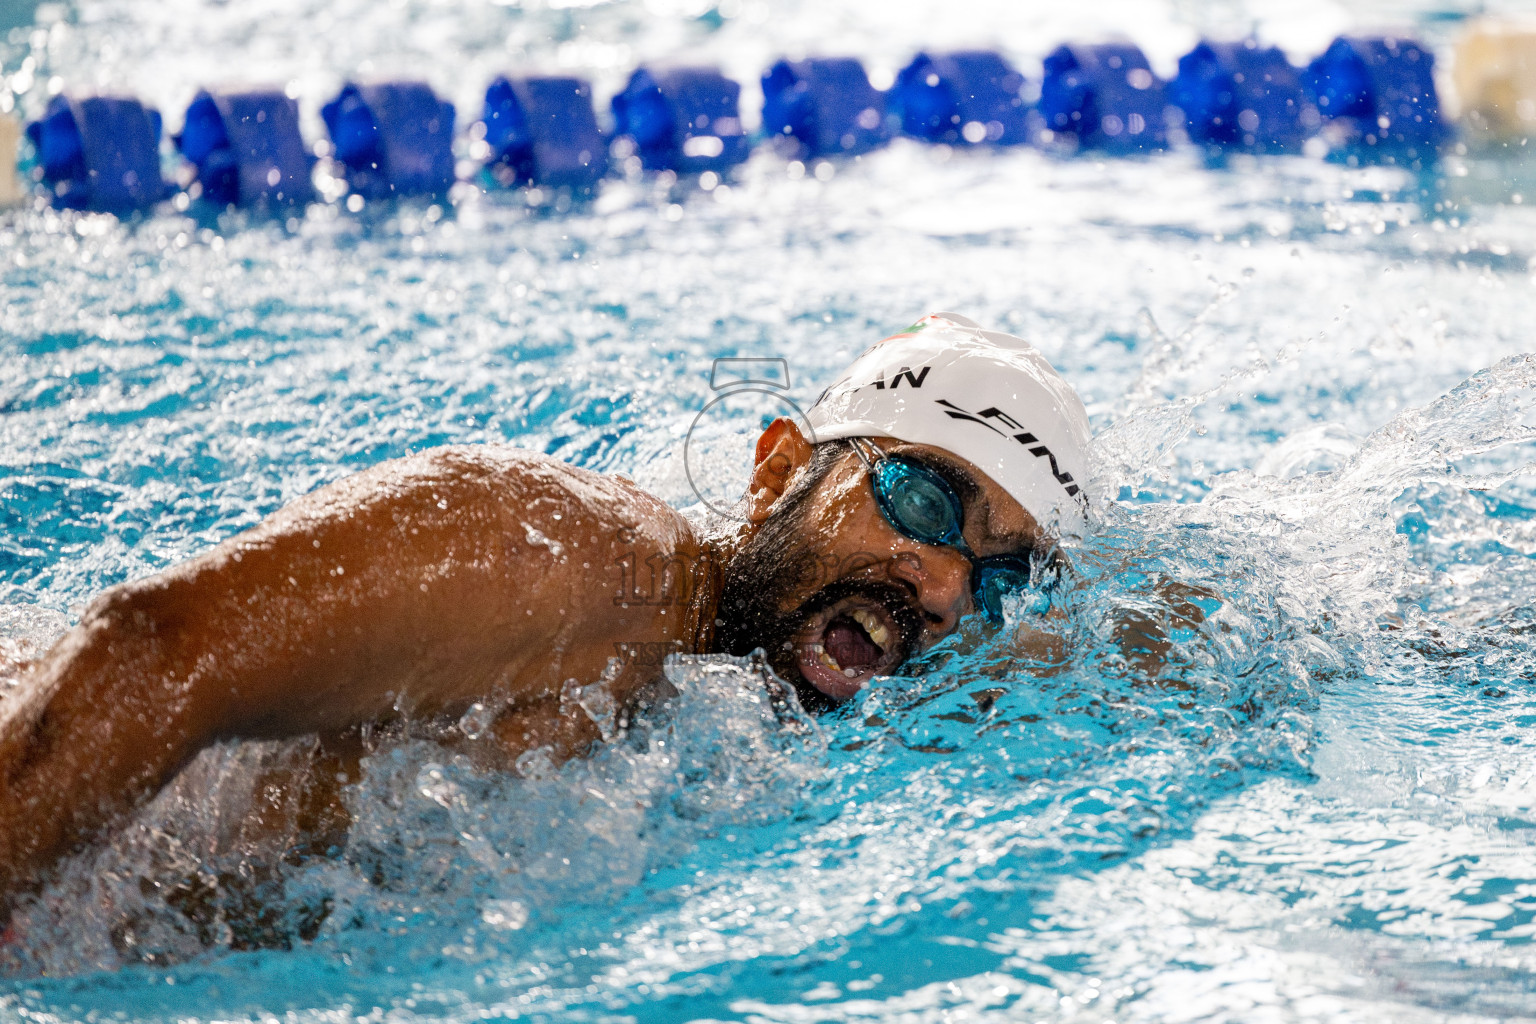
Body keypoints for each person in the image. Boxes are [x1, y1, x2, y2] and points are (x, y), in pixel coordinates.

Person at [0, 312, 1092, 912]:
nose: (946, 585)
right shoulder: (564, 558)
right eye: (920, 497)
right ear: (776, 473)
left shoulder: (734, 713)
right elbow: (157, 651)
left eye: (999, 573)